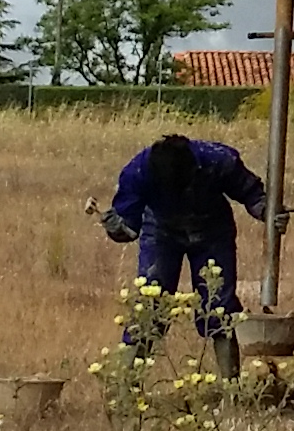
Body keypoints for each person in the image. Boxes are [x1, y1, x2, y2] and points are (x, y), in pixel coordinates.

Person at [103, 128, 267, 353]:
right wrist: (116, 228)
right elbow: (128, 229)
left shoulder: (218, 160)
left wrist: (266, 211)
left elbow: (252, 194)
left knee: (220, 308)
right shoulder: (138, 172)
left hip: (213, 231)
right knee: (150, 305)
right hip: (161, 232)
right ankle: (128, 375)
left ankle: (230, 376)